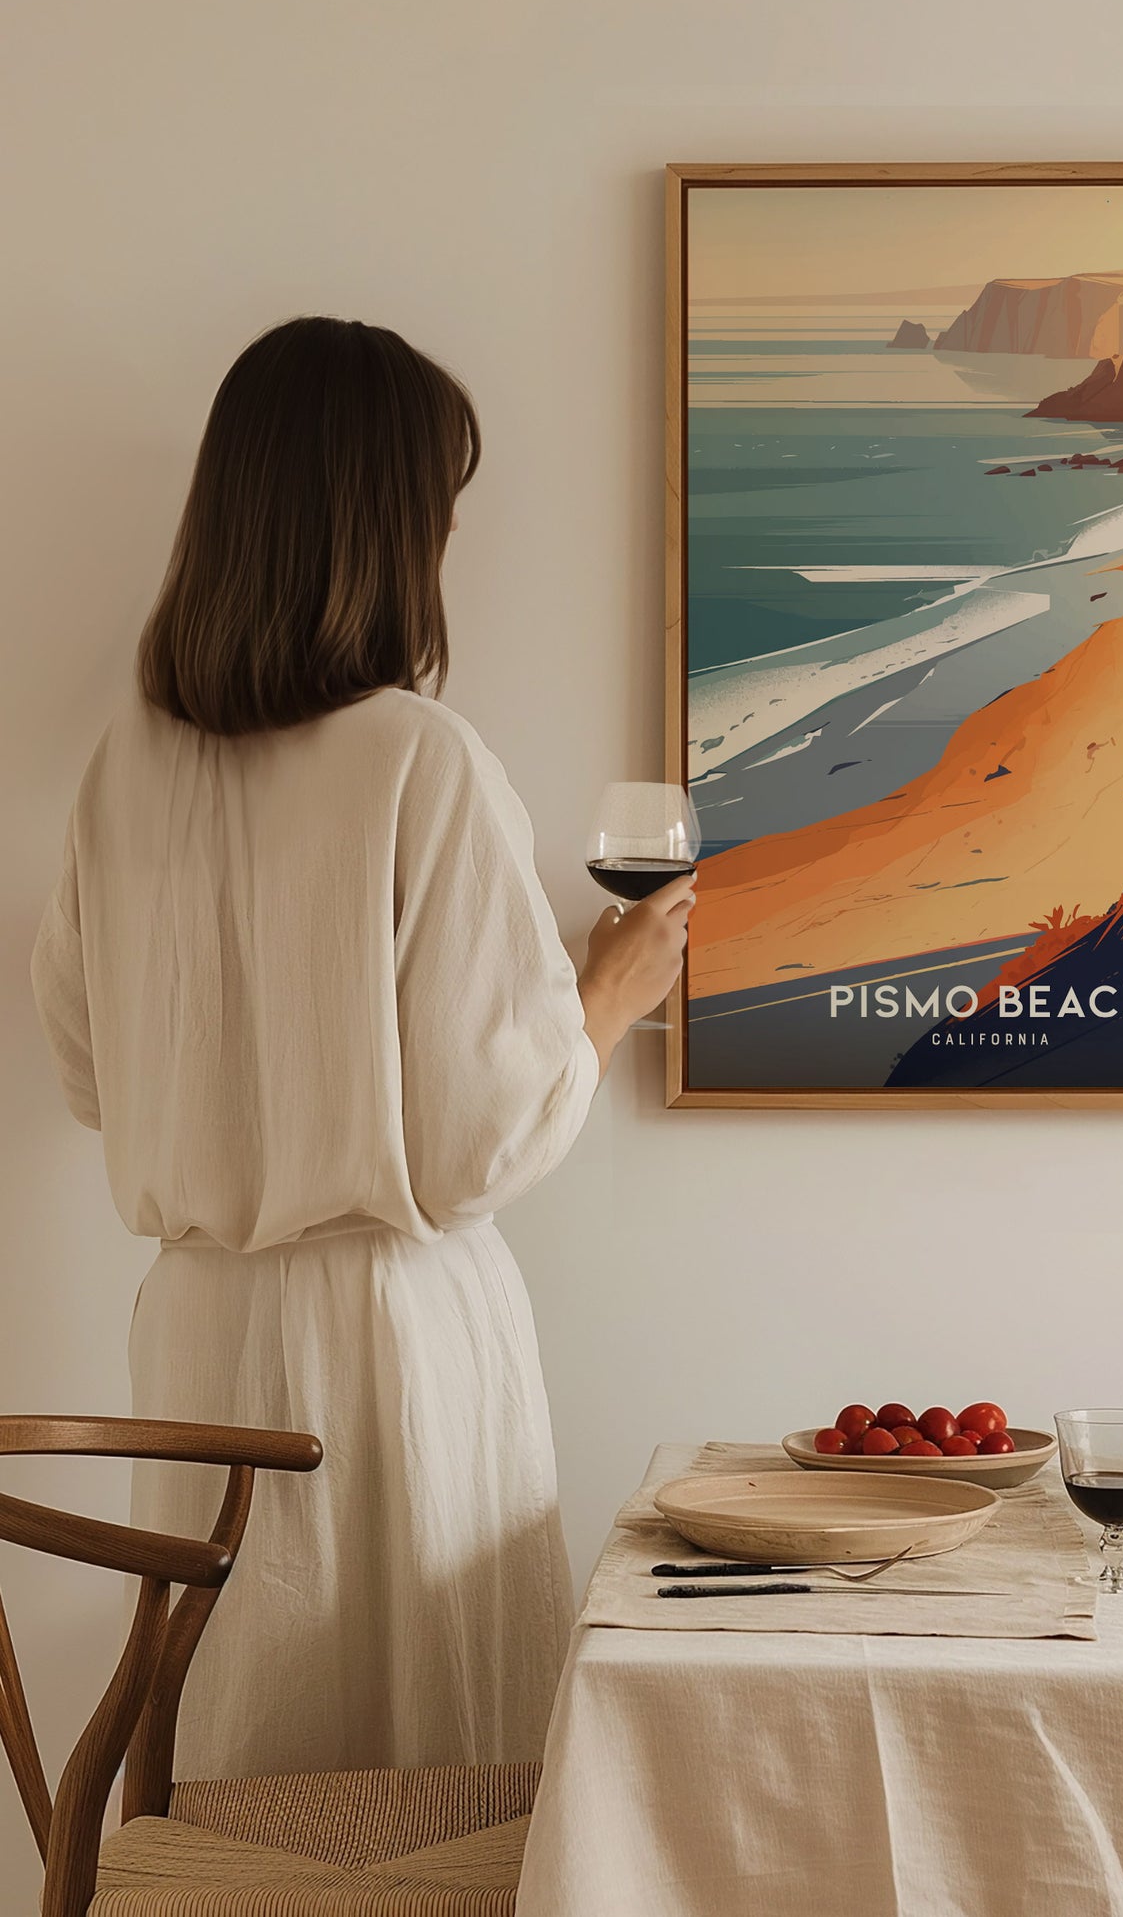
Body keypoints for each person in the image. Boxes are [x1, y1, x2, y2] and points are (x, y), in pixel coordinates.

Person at [29, 316, 690, 1777]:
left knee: (241, 1761)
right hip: (390, 1343)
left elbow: (87, 1072)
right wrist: (606, 990)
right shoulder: (417, 756)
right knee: (424, 1781)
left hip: (197, 1332)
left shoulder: (122, 768)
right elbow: (474, 1144)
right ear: (387, 527)